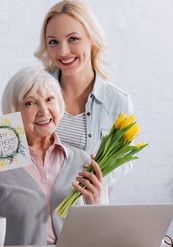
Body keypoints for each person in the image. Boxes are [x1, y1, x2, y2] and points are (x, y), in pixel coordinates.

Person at [0, 67, 104, 245]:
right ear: (13, 111)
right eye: (30, 103)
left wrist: (95, 204)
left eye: (50, 99)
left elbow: (98, 240)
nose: (44, 111)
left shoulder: (81, 160)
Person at [34, 0, 134, 198]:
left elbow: (126, 159)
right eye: (53, 41)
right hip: (38, 216)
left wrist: (98, 175)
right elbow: (13, 155)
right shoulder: (33, 91)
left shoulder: (117, 102)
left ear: (92, 39)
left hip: (88, 213)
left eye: (73, 39)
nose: (63, 51)